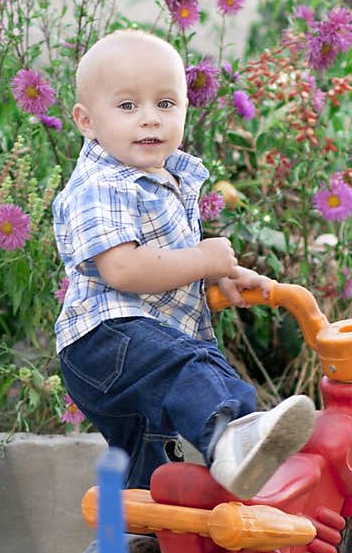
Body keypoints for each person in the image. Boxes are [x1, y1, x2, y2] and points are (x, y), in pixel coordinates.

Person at [52, 29, 315, 497]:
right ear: (86, 121)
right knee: (189, 365)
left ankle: (143, 542)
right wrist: (201, 256)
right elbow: (124, 271)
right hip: (108, 339)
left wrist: (216, 271)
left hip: (135, 342)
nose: (150, 119)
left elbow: (165, 255)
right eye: (128, 106)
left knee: (149, 454)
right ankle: (233, 441)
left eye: (166, 104)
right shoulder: (102, 184)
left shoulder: (157, 177)